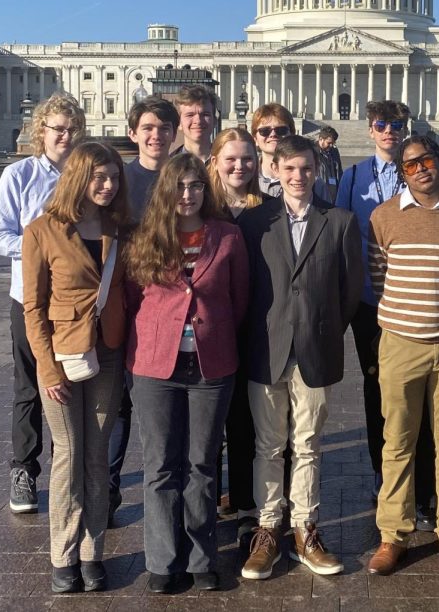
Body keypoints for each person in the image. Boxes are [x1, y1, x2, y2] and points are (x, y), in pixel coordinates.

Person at [238, 135, 362, 580]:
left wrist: (322, 327)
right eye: (289, 168)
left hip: (314, 348)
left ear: (316, 169)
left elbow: (349, 291)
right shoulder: (254, 223)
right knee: (267, 445)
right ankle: (269, 528)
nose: (297, 176)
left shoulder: (341, 220)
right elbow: (245, 289)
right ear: (274, 169)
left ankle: (304, 528)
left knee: (308, 444)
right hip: (265, 348)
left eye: (305, 168)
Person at [126, 155, 248, 594]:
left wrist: (210, 334)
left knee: (201, 465)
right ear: (166, 190)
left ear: (205, 189)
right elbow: (132, 296)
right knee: (160, 465)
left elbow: (238, 301)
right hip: (155, 365)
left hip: (211, 364)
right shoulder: (146, 236)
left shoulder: (229, 236)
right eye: (179, 185)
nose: (188, 194)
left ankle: (201, 558)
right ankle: (163, 560)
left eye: (196, 185)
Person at [366, 135, 439, 576]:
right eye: (411, 164)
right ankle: (392, 533)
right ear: (402, 173)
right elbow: (378, 275)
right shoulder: (383, 217)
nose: (420, 169)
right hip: (400, 342)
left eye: (427, 161)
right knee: (397, 442)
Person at [22, 141, 130, 594]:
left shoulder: (119, 229)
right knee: (68, 454)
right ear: (78, 178)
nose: (107, 186)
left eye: (112, 178)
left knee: (97, 456)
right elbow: (34, 308)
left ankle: (92, 553)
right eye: (98, 177)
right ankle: (62, 554)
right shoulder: (42, 231)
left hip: (107, 353)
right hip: (62, 357)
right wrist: (45, 371)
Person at [336, 100, 435, 514]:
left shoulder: (420, 173)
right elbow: (340, 231)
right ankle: (384, 469)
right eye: (382, 124)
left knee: (421, 391)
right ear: (370, 129)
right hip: (369, 300)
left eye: (397, 124)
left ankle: (422, 476)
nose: (390, 131)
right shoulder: (352, 176)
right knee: (378, 386)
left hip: (413, 298)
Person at [0, 92, 85, 515]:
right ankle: (24, 469)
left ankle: (76, 466)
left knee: (78, 383)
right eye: (57, 129)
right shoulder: (18, 175)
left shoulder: (85, 176)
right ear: (40, 131)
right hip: (28, 298)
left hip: (76, 302)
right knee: (29, 385)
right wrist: (41, 250)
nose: (64, 136)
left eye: (71, 129)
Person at [107, 95, 180, 525]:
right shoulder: (117, 178)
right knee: (118, 405)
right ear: (133, 133)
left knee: (163, 409)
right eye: (148, 128)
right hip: (124, 303)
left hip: (169, 307)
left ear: (175, 134)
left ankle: (168, 496)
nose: (156, 136)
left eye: (164, 128)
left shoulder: (186, 177)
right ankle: (109, 490)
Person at [207, 127, 262, 542]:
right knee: (206, 427)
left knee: (244, 424)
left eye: (247, 159)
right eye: (231, 159)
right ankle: (203, 503)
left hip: (257, 330)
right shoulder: (199, 208)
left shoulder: (269, 210)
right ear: (215, 162)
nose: (239, 166)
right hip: (210, 332)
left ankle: (246, 504)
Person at [250, 103, 296, 196]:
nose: (273, 135)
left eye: (281, 130)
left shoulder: (310, 182)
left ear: (292, 134)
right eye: (264, 131)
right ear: (255, 139)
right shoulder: (245, 179)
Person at [172, 85, 218, 162]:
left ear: (215, 121)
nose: (198, 121)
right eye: (190, 115)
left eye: (205, 114)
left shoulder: (228, 163)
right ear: (179, 123)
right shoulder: (169, 167)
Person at [316, 126, 343, 202]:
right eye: (329, 143)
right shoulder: (312, 152)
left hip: (334, 194)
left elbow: (339, 171)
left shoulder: (334, 151)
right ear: (321, 139)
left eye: (333, 143)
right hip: (319, 194)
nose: (331, 145)